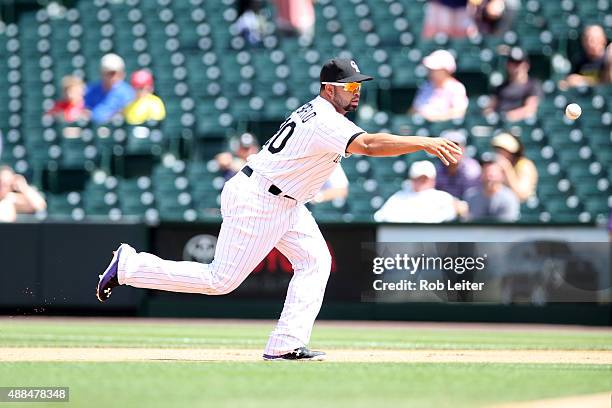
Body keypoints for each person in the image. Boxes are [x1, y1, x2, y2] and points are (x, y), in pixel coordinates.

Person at [96, 58, 461, 361]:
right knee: (219, 281)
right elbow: (366, 144)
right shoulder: (324, 118)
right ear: (327, 88)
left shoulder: (324, 114)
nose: (356, 90)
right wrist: (423, 142)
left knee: (316, 262)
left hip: (285, 200)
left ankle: (286, 342)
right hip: (260, 198)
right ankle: (130, 266)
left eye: (358, 85)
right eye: (349, 86)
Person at [374, 160, 467, 223]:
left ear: (433, 180)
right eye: (418, 178)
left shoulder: (443, 197)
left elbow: (452, 213)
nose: (422, 182)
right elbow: (380, 217)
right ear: (412, 179)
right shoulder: (399, 197)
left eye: (425, 179)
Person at [483, 47, 543, 122]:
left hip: (520, 126)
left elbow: (530, 109)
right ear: (508, 65)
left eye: (519, 63)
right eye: (513, 63)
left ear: (526, 65)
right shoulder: (501, 87)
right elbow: (490, 108)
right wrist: (491, 114)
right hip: (500, 126)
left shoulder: (533, 85)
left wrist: (508, 117)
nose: (516, 67)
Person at [411, 50, 469, 122]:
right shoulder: (426, 86)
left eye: (435, 70)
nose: (431, 72)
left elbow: (459, 112)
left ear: (446, 70)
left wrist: (435, 117)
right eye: (430, 69)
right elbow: (414, 110)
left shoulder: (456, 88)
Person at [464, 154, 520, 221]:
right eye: (485, 170)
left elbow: (507, 228)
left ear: (501, 174)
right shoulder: (470, 195)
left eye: (493, 171)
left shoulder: (509, 198)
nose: (489, 176)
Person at [84, 53, 135, 124]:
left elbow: (125, 114)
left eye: (113, 73)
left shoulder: (127, 92)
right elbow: (86, 109)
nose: (111, 76)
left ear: (121, 73)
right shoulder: (92, 90)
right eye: (108, 73)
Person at [491, 132, 537, 202]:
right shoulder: (496, 166)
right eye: (497, 150)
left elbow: (522, 194)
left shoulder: (524, 165)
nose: (499, 153)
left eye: (503, 150)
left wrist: (507, 169)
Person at [435, 130, 481, 198]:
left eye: (456, 146)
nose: (452, 151)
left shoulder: (472, 169)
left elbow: (473, 197)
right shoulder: (437, 169)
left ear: (463, 149)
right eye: (449, 147)